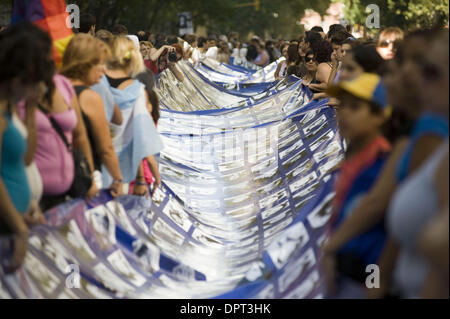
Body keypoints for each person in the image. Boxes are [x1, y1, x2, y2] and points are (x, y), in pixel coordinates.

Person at [321, 29, 449, 299]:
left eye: (429, 70)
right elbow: (394, 231)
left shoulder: (430, 133)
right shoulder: (409, 136)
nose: (400, 73)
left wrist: (333, 250)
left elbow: (378, 206)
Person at [323, 73, 393, 297]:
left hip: (366, 273)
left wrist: (374, 286)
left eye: (355, 108)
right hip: (344, 269)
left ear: (380, 115)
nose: (344, 114)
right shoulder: (354, 157)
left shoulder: (381, 162)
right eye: (342, 107)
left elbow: (386, 235)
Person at [0, 22, 51, 272]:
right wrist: (19, 228)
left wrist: (30, 109)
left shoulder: (10, 104)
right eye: (30, 80)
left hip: (15, 221)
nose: (36, 87)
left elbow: (25, 159)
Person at [61, 34, 124, 197]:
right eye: (99, 63)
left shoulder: (55, 89)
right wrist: (117, 180)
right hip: (83, 184)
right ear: (84, 63)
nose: (104, 69)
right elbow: (105, 149)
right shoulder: (90, 98)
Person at [103, 36, 164, 196]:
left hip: (101, 169)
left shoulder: (97, 84)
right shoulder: (136, 91)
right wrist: (144, 178)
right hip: (126, 171)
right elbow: (139, 138)